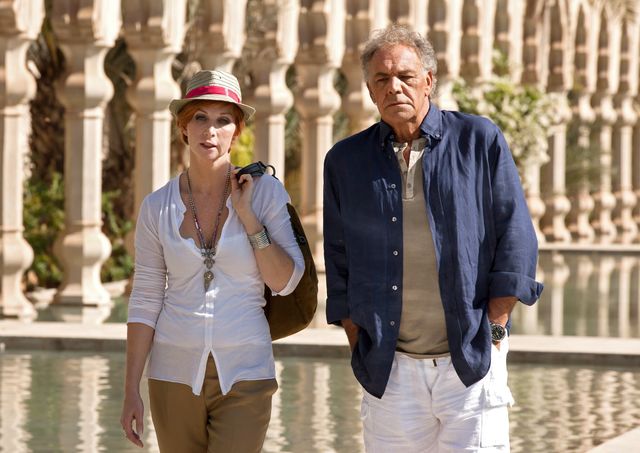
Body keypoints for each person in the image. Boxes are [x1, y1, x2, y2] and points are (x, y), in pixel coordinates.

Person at [323, 24, 543, 452]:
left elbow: (515, 238)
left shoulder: (478, 140)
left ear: (429, 80)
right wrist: (357, 340)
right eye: (382, 79)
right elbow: (338, 258)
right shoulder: (345, 161)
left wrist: (494, 332)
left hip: (470, 360)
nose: (394, 87)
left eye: (405, 76)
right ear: (369, 91)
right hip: (389, 369)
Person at [120, 69, 304, 452]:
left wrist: (248, 217)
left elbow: (285, 282)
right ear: (183, 128)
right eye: (200, 117)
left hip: (247, 371)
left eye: (223, 121)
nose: (211, 131)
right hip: (172, 374)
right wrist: (130, 389)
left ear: (236, 132)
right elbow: (146, 299)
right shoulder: (156, 207)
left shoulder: (266, 194)